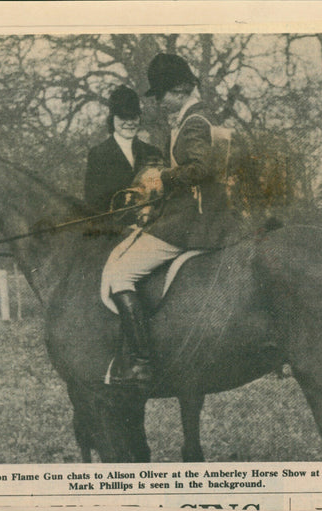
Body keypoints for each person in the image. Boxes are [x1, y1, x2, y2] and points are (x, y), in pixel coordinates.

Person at [101, 53, 237, 387]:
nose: (159, 103)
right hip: (191, 218)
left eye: (161, 95)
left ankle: (142, 363)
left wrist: (162, 178)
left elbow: (201, 169)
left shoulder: (194, 122)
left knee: (119, 272)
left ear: (180, 89)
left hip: (188, 225)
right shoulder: (197, 119)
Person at [84, 86, 163, 213]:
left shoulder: (153, 152)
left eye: (134, 117)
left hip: (152, 227)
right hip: (116, 230)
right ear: (112, 118)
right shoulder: (98, 155)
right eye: (123, 117)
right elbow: (94, 203)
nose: (129, 123)